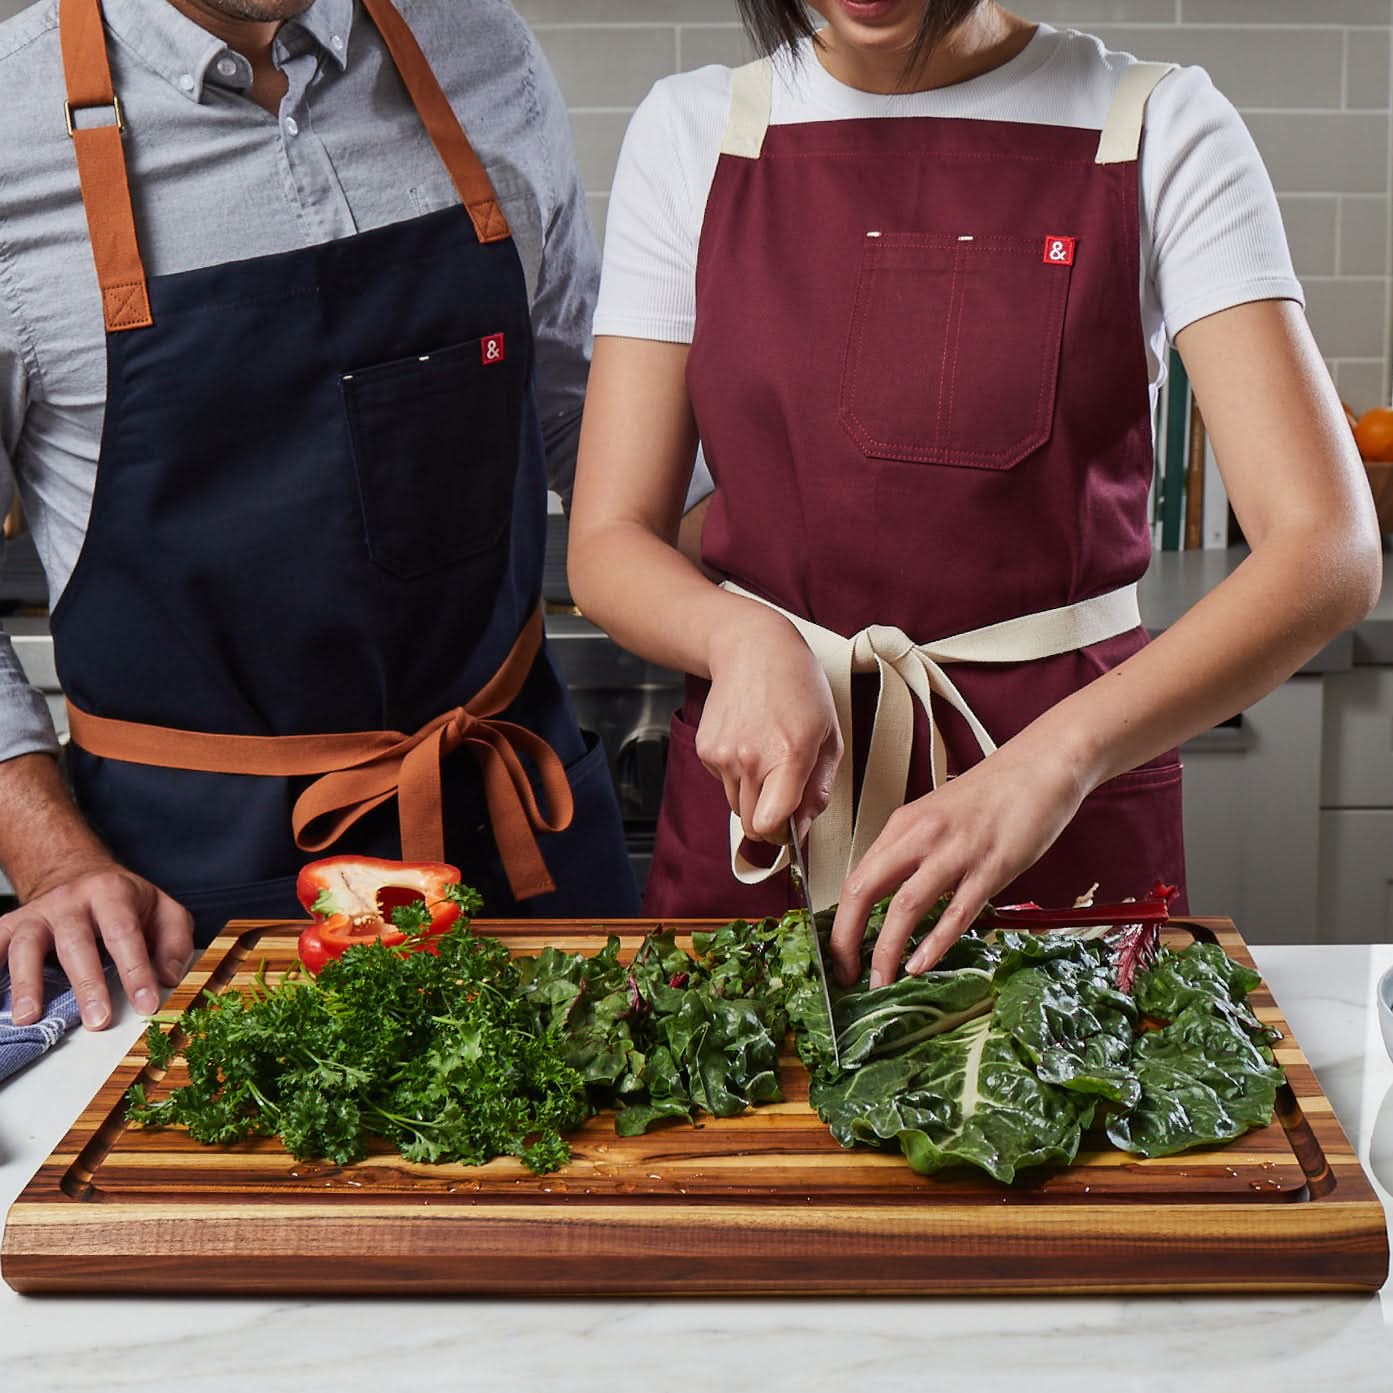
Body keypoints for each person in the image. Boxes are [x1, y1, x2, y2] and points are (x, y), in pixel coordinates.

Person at [567, 0, 1382, 989]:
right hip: (768, 812)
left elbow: (1326, 548)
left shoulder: (1155, 125)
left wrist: (1052, 765)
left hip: (1060, 822)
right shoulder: (696, 129)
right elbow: (609, 536)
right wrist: (735, 637)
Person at [0, 0, 638, 1032]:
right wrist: (52, 857)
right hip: (191, 905)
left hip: (523, 835)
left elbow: (590, 413)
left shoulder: (479, 47)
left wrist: (798, 605)